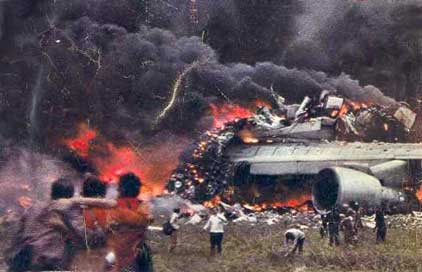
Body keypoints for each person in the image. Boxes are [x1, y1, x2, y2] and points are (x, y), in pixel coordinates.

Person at [6, 177, 116, 271]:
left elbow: (17, 235)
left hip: (20, 260)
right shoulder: (68, 209)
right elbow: (85, 236)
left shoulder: (33, 208)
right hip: (47, 262)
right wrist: (107, 231)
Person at [106, 172, 153, 272]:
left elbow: (109, 226)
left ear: (121, 189)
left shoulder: (114, 206)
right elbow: (147, 221)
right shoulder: (143, 205)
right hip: (138, 251)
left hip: (118, 252)